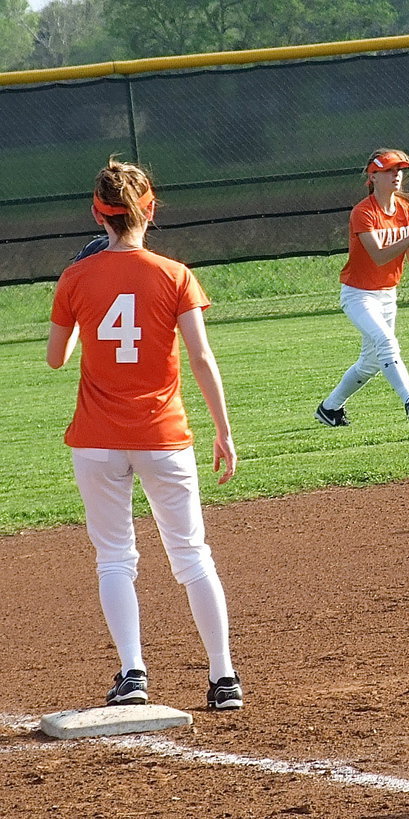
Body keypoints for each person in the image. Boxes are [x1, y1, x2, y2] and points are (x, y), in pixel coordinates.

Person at [47, 157, 244, 710]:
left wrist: (79, 284)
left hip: (96, 438)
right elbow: (202, 359)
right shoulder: (175, 275)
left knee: (114, 557)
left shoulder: (76, 277)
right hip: (164, 435)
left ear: (97, 214)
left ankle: (133, 672)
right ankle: (223, 678)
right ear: (149, 210)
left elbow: (56, 359)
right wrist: (224, 433)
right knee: (191, 555)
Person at [315, 148, 409, 426]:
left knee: (371, 362)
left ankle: (329, 408)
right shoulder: (363, 212)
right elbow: (380, 256)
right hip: (358, 295)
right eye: (389, 170)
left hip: (387, 294)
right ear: (373, 176)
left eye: (400, 170)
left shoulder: (406, 210)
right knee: (386, 342)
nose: (397, 175)